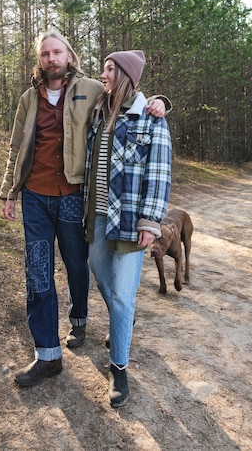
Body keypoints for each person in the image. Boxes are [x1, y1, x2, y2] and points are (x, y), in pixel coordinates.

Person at [0, 31, 170, 387]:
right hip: (34, 197)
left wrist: (159, 102)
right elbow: (16, 147)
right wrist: (8, 192)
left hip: (73, 196)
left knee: (79, 263)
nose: (51, 58)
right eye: (45, 53)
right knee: (39, 274)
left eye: (57, 51)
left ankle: (81, 320)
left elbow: (128, 97)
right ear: (40, 60)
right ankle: (47, 355)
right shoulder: (29, 99)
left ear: (70, 56)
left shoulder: (91, 88)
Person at [83, 50, 172, 408]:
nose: (102, 75)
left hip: (131, 221)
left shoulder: (150, 119)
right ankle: (125, 316)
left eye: (109, 69)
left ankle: (118, 367)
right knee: (103, 279)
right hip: (98, 217)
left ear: (125, 75)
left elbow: (160, 174)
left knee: (121, 295)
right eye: (103, 68)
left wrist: (151, 223)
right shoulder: (97, 113)